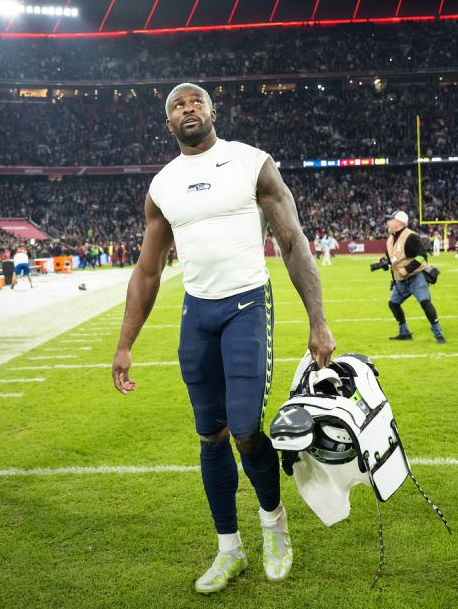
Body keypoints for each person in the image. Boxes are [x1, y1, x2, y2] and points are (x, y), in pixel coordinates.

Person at [111, 83, 335, 594]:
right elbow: (147, 273)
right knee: (209, 433)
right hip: (197, 315)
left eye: (195, 101)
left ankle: (274, 523)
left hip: (247, 307)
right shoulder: (162, 185)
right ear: (167, 123)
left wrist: (317, 320)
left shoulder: (251, 162)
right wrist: (125, 345)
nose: (186, 108)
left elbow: (293, 241)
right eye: (175, 105)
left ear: (213, 111)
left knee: (244, 426)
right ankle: (228, 547)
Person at [384, 210, 446, 344]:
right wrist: (383, 262)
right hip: (401, 280)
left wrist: (406, 269)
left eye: (391, 220)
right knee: (393, 303)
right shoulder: (390, 239)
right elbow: (393, 259)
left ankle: (438, 333)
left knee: (425, 302)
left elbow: (422, 256)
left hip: (416, 276)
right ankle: (404, 332)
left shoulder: (411, 236)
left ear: (400, 223)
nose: (389, 222)